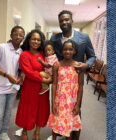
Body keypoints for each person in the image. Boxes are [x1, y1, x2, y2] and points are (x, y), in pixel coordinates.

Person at [47, 10, 96, 140]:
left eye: (67, 19)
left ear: (72, 21)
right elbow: (51, 56)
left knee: (75, 110)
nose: (64, 22)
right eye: (61, 20)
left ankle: (73, 136)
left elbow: (92, 56)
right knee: (58, 111)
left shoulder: (84, 38)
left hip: (75, 82)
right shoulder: (54, 38)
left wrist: (86, 65)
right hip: (61, 81)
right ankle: (60, 131)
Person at [15, 29, 52, 140]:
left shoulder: (43, 54)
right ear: (29, 40)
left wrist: (50, 78)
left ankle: (37, 132)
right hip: (30, 88)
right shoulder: (24, 55)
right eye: (34, 39)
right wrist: (44, 79)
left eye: (39, 40)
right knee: (28, 110)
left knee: (41, 110)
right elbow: (29, 72)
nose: (36, 41)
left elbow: (49, 66)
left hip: (43, 90)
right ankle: (25, 132)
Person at [0, 25, 25, 140]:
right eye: (16, 34)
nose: (18, 37)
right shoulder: (2, 47)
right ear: (11, 35)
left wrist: (20, 77)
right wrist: (7, 75)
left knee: (8, 113)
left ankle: (4, 133)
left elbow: (19, 69)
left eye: (21, 35)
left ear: (23, 38)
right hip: (0, 88)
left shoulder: (21, 52)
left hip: (13, 88)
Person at [47, 39, 83, 140]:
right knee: (56, 122)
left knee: (69, 124)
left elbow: (80, 86)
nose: (67, 51)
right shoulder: (56, 65)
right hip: (59, 100)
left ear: (74, 51)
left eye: (70, 49)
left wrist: (77, 104)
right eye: (65, 49)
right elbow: (54, 84)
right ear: (62, 51)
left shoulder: (78, 66)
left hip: (71, 101)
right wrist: (53, 102)